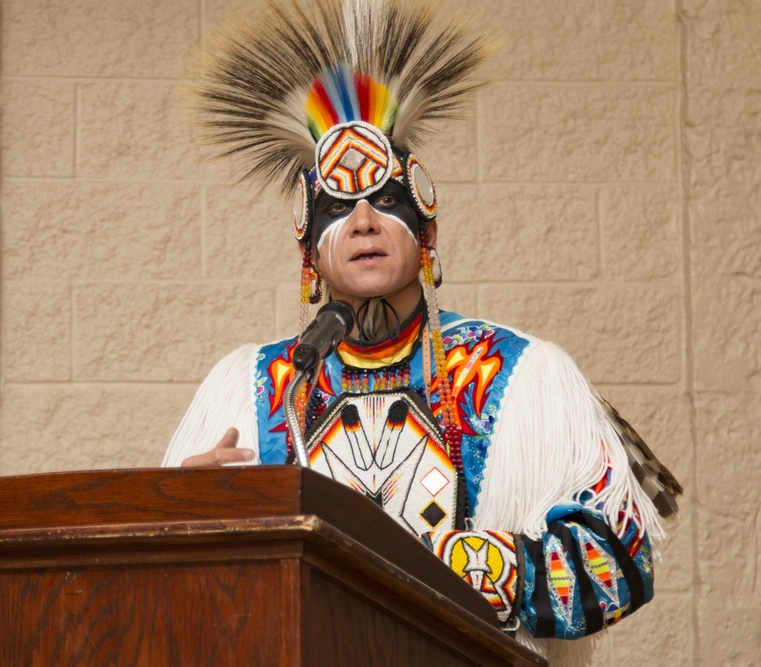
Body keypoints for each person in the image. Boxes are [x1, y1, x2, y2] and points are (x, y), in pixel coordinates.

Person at [162, 0, 681, 658]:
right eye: (336, 207)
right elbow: (179, 600)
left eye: (385, 200)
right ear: (307, 252)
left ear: (427, 230)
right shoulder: (251, 388)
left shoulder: (520, 374)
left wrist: (489, 567)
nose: (364, 222)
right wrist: (183, 514)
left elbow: (619, 561)